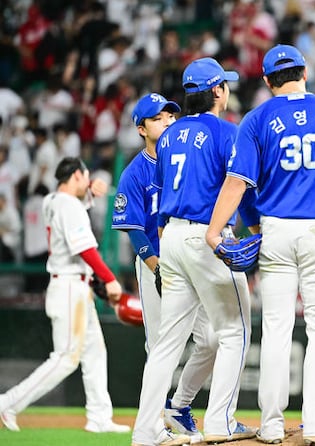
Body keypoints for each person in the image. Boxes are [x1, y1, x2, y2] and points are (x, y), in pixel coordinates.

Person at [205, 44, 315, 444]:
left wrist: (214, 230)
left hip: (274, 230)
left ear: (266, 80)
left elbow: (237, 182)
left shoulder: (256, 119)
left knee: (276, 329)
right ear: (305, 72)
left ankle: (272, 425)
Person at [131, 58, 257, 446]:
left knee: (167, 343)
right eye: (225, 84)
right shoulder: (228, 131)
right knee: (235, 330)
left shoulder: (169, 136)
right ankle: (220, 421)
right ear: (218, 90)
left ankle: (145, 431)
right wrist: (257, 230)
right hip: (207, 238)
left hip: (170, 237)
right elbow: (240, 186)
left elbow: (162, 191)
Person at [111, 93, 217, 442]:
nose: (168, 121)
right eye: (158, 118)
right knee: (160, 347)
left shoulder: (184, 159)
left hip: (190, 259)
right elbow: (133, 228)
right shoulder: (135, 172)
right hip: (155, 263)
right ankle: (151, 428)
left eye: (171, 115)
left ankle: (179, 404)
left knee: (212, 339)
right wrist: (156, 266)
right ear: (141, 129)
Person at [0, 157, 129, 434]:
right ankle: (7, 402)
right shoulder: (68, 205)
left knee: (95, 352)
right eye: (85, 176)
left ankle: (99, 417)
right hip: (70, 287)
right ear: (76, 176)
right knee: (66, 357)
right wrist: (110, 279)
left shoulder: (51, 200)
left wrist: (89, 191)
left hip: (71, 285)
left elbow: (71, 209)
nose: (88, 180)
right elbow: (84, 249)